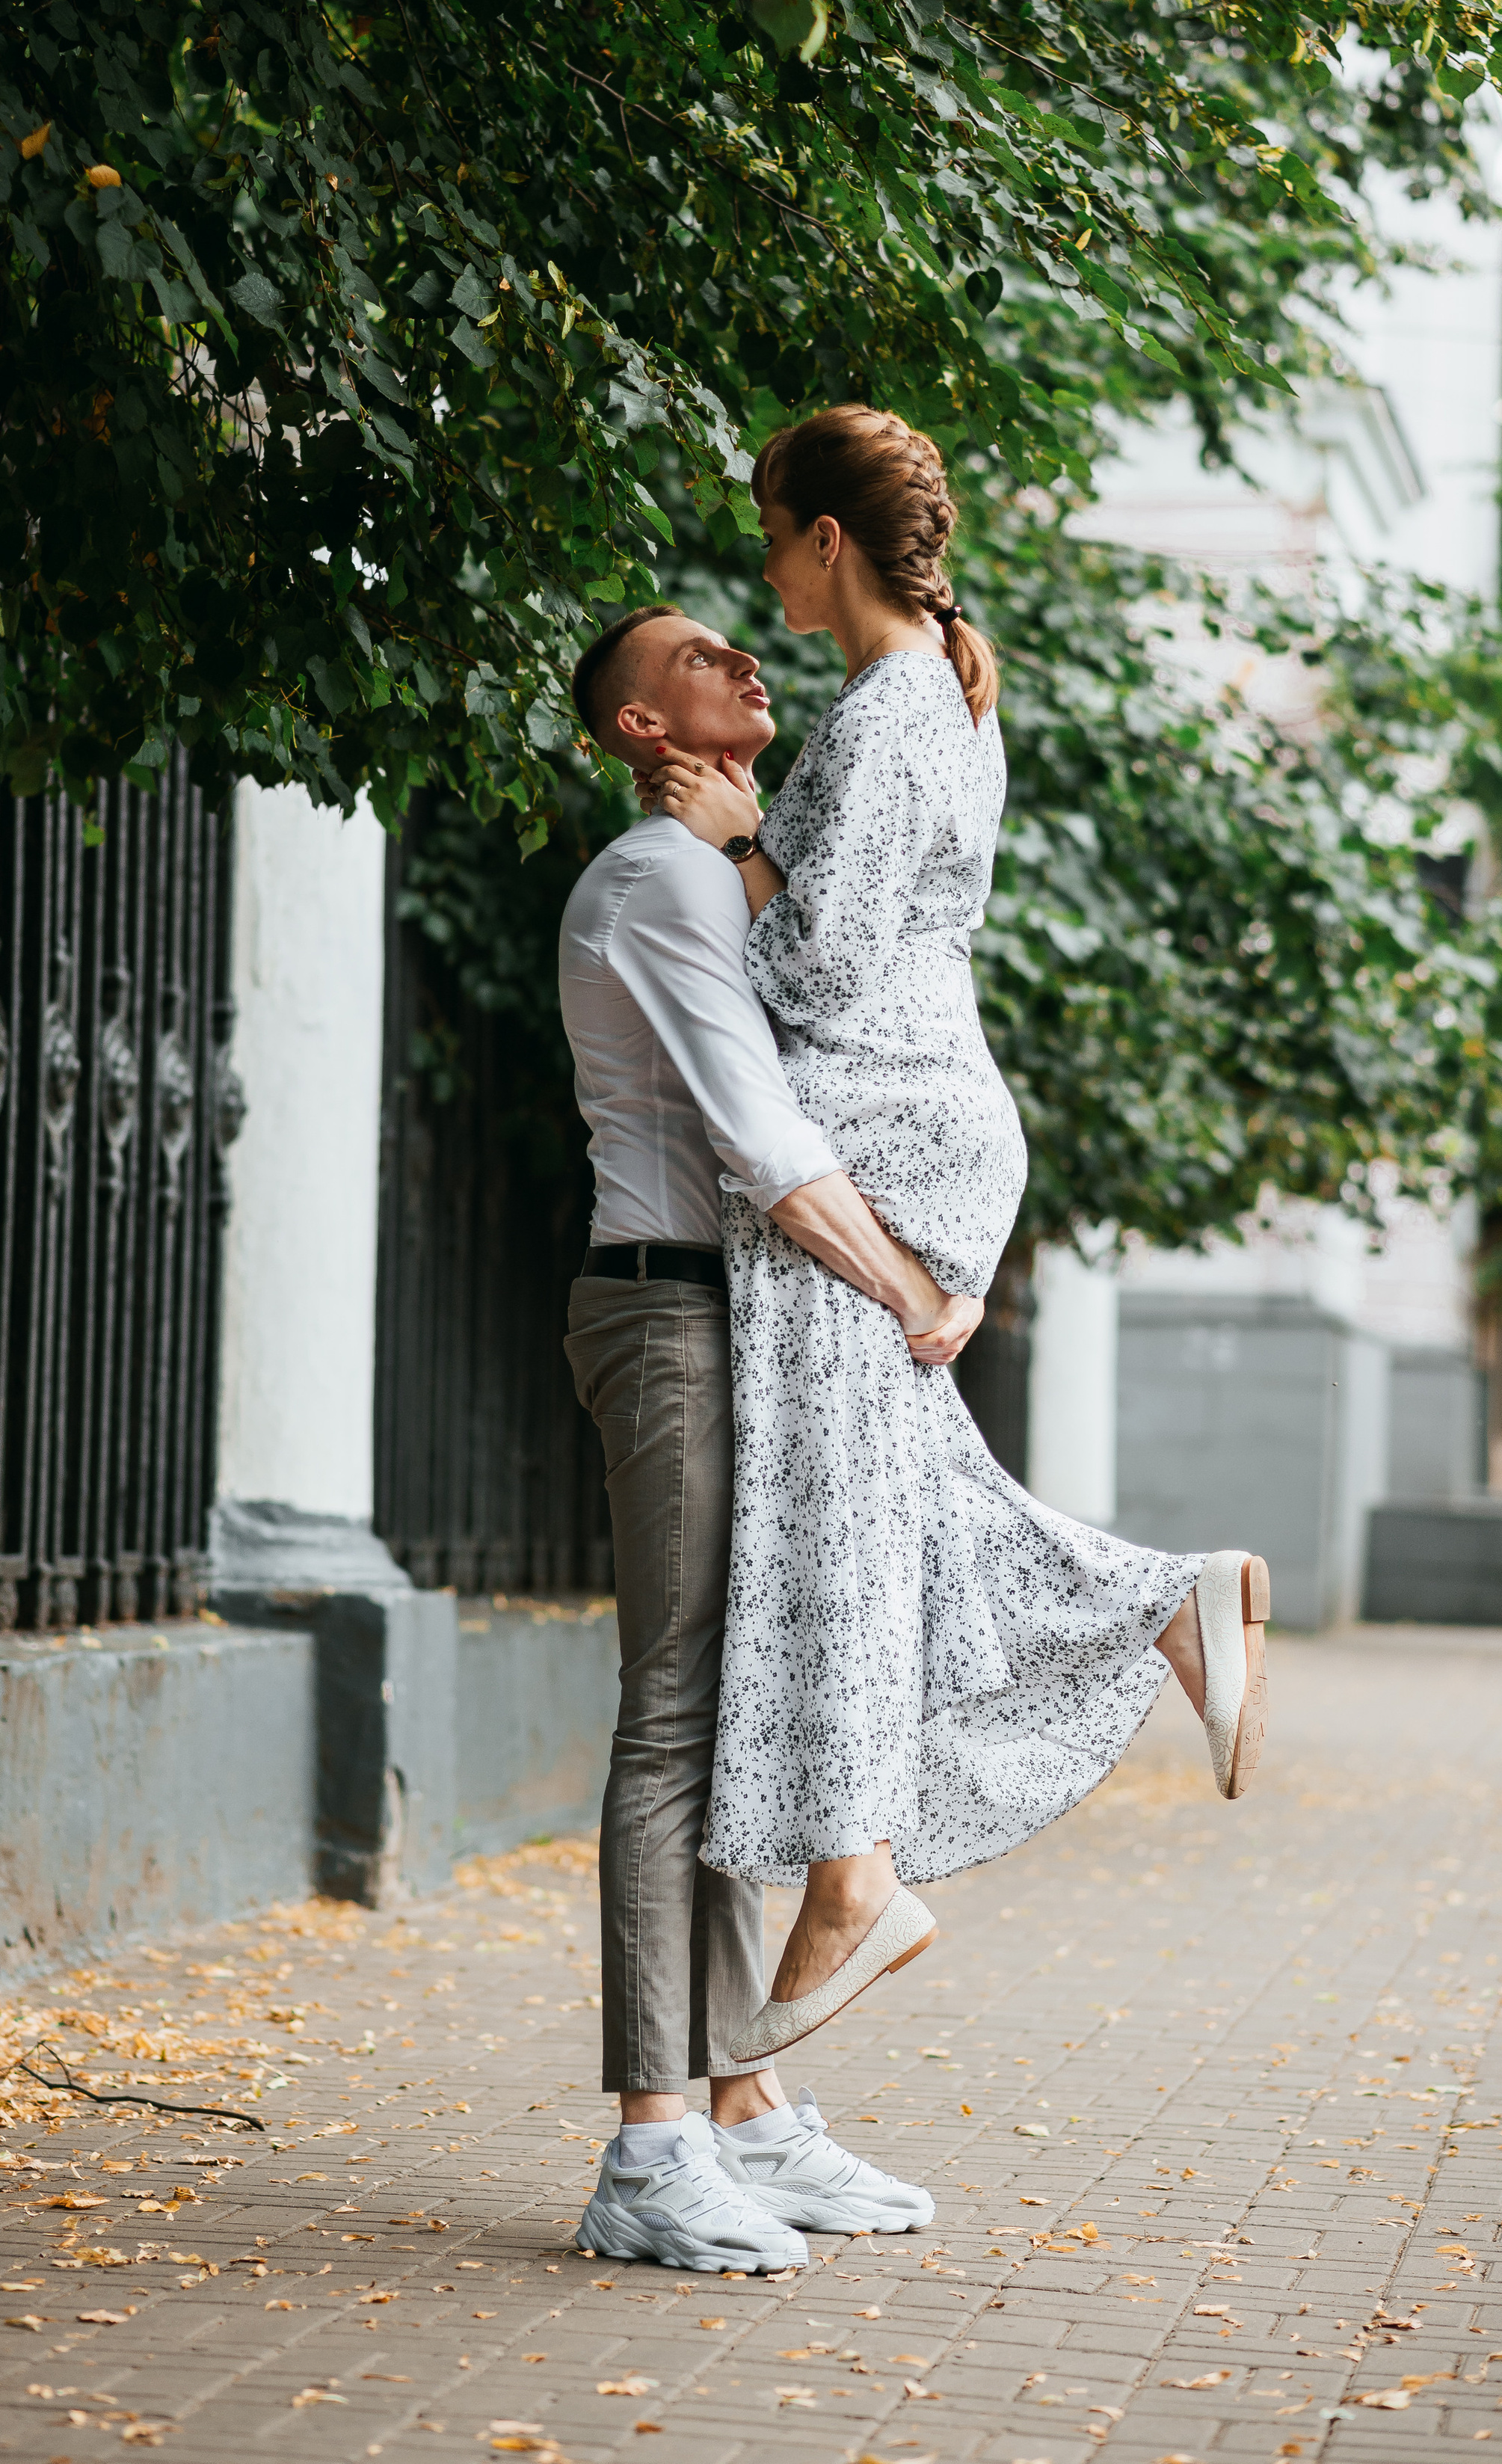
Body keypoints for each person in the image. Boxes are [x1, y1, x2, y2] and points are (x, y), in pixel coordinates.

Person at [648, 405, 1271, 2065]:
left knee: (830, 1524)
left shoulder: (888, 711)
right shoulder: (930, 692)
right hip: (917, 1124)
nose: (765, 574)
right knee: (886, 1492)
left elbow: (813, 973)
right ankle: (1163, 1608)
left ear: (825, 539)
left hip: (875, 1131)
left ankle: (854, 1878)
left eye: (772, 538)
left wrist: (733, 844)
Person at [558, 603, 975, 2273]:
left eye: (742, 642)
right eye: (696, 658)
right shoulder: (654, 878)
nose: (743, 661)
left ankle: (741, 2109)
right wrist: (911, 1286)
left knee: (736, 1723)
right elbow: (762, 1134)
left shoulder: (727, 876)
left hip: (737, 1319)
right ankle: (649, 2145)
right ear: (642, 729)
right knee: (675, 1719)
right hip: (668, 1313)